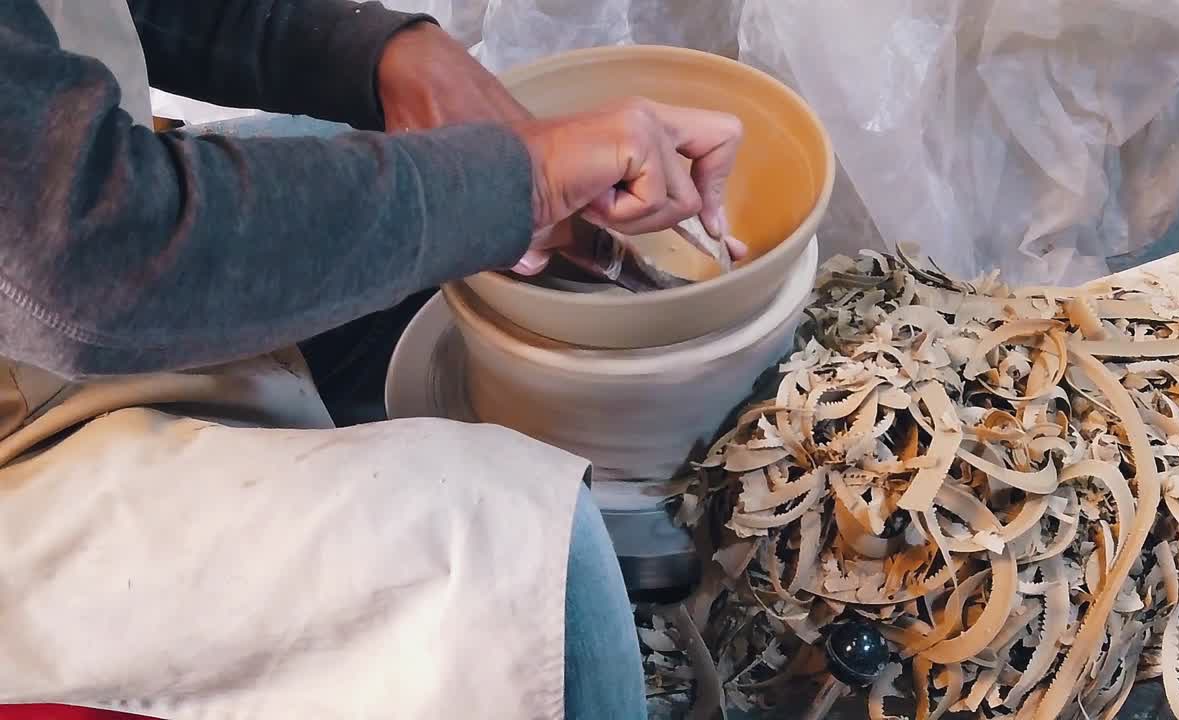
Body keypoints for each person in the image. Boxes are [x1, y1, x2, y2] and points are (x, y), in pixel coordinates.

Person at [0, 1, 745, 718]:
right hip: (31, 407)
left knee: (372, 156)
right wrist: (526, 178)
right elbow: (85, 258)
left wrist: (384, 55)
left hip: (62, 248)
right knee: (524, 557)